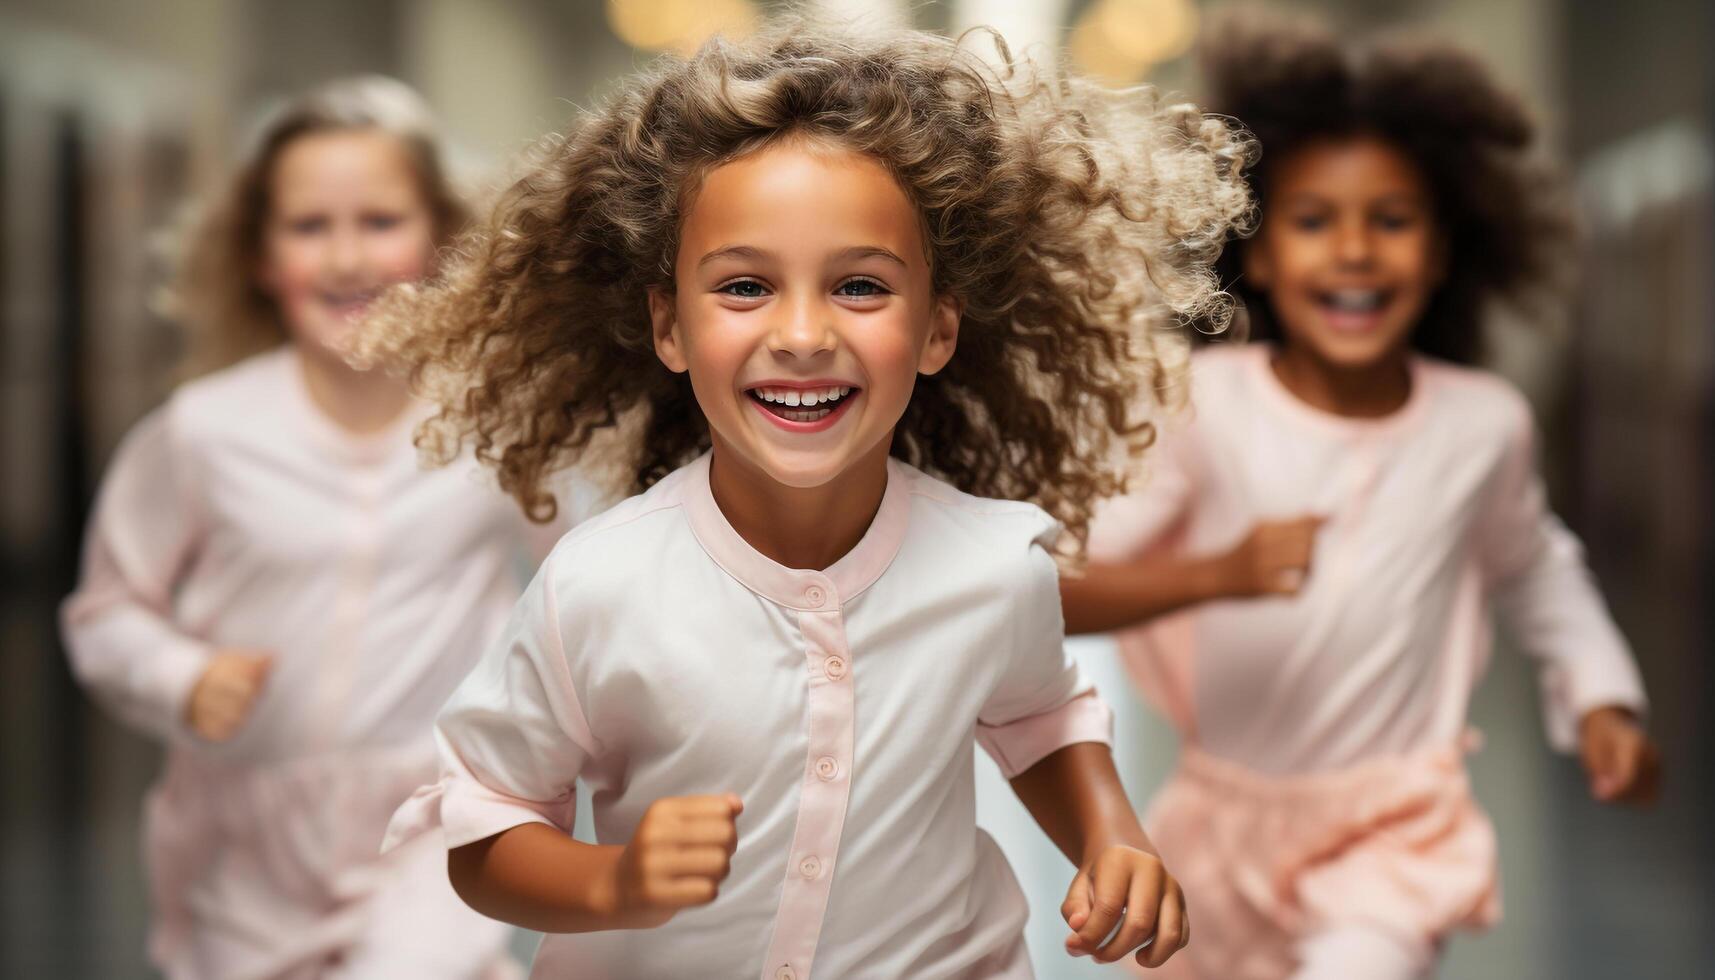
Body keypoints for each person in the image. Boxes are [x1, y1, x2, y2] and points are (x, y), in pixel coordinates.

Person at [368, 21, 1252, 978]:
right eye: (745, 285)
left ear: (936, 330)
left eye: (860, 286)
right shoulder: (597, 584)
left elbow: (1038, 715)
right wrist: (611, 884)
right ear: (669, 327)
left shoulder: (995, 565)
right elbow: (487, 824)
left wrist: (1113, 836)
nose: (801, 333)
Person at [1062, 11, 1660, 979]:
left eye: (1389, 220)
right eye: (1311, 221)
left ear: (1437, 253)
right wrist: (1216, 573)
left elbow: (1537, 568)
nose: (1351, 249)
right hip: (1219, 818)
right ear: (1253, 254)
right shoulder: (1203, 404)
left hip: (1392, 823)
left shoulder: (1481, 424)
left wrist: (1599, 695)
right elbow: (1058, 585)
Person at [61, 76, 573, 979]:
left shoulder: (494, 421)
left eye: (380, 222)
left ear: (440, 243)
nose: (346, 259)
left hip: (433, 809)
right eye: (309, 227)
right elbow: (105, 614)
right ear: (261, 257)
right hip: (242, 839)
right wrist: (181, 677)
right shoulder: (203, 432)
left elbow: (590, 579)